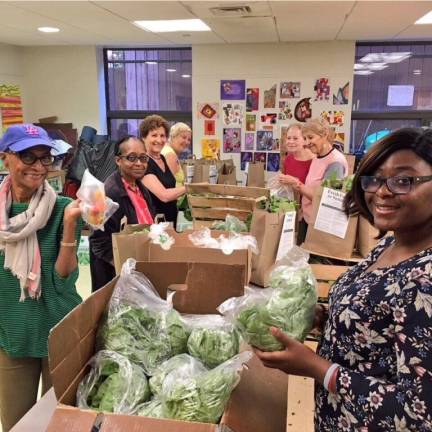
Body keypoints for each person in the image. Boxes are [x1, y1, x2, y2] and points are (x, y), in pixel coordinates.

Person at [255, 127, 432, 431]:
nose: (382, 190)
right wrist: (320, 318)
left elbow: (418, 413)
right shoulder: (390, 245)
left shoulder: (425, 278)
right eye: (374, 178)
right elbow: (377, 331)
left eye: (404, 180)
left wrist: (316, 368)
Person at [0, 124, 82, 432]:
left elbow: (61, 281)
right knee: (15, 423)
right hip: (12, 334)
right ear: (5, 158)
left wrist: (72, 225)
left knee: (60, 422)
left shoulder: (63, 208)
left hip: (58, 331)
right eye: (27, 157)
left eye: (45, 158)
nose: (37, 167)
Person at [89, 136, 155, 292]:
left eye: (143, 158)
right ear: (118, 160)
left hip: (137, 269)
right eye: (131, 158)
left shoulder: (141, 188)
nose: (139, 163)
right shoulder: (105, 193)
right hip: (115, 276)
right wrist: (122, 266)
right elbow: (97, 241)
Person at [280, 118, 348, 244]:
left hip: (321, 227)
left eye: (310, 137)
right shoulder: (318, 157)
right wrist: (303, 209)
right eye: (305, 138)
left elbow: (327, 200)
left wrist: (296, 183)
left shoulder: (335, 163)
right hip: (308, 220)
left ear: (325, 135)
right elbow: (312, 190)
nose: (307, 143)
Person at [141, 115, 185, 226]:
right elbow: (164, 196)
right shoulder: (144, 163)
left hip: (170, 220)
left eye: (162, 136)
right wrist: (191, 188)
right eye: (154, 135)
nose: (159, 140)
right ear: (144, 138)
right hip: (155, 224)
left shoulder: (163, 158)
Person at [161, 122, 192, 187]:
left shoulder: (168, 151)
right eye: (183, 137)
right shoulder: (170, 154)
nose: (186, 142)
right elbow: (168, 186)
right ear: (173, 136)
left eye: (189, 139)